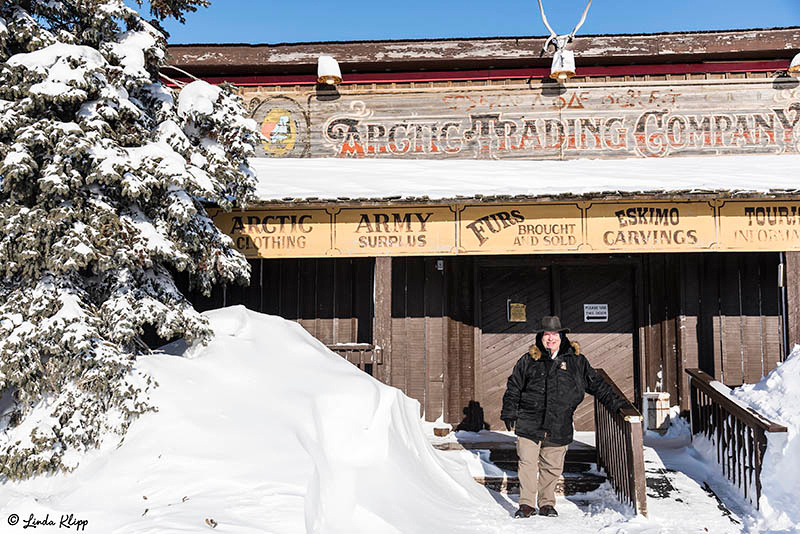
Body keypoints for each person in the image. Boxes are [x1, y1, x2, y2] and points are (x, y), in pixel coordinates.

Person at [501, 315, 629, 518]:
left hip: (559, 422)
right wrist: (509, 411)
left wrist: (619, 405)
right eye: (546, 334)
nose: (550, 339)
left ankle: (546, 503)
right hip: (529, 420)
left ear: (562, 336)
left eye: (554, 334)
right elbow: (514, 387)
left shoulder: (576, 361)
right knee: (527, 463)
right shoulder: (528, 360)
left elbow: (597, 385)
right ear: (540, 337)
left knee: (552, 466)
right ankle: (526, 504)